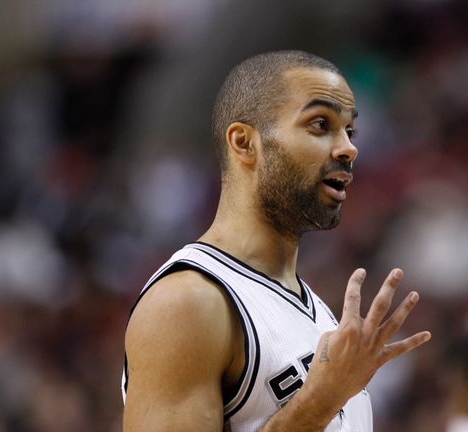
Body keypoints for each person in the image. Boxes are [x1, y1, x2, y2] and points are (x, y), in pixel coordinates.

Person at [121, 50, 432, 431]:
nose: (349, 148)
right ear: (244, 143)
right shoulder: (188, 302)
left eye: (349, 131)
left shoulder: (310, 308)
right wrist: (320, 401)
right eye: (320, 124)